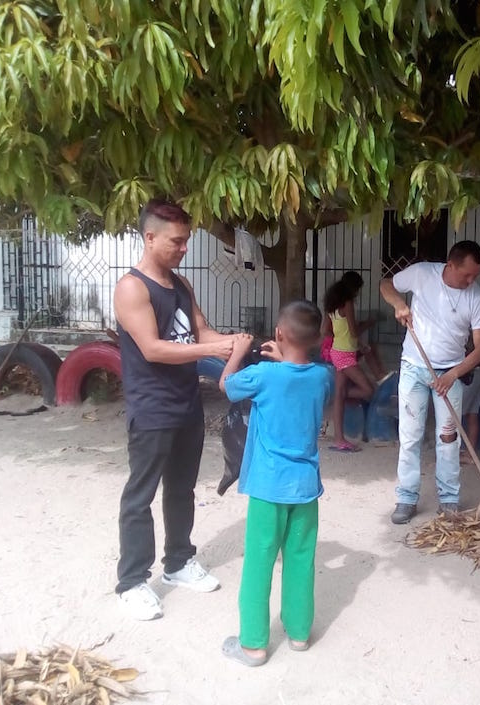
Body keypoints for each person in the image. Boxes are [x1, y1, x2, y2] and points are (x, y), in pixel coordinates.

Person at [112, 198, 241, 621]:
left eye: (186, 240)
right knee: (140, 495)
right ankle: (131, 581)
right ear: (150, 238)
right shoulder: (132, 288)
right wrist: (214, 348)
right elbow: (152, 348)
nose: (184, 248)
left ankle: (178, 562)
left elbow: (201, 331)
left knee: (182, 488)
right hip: (152, 409)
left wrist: (237, 345)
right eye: (176, 241)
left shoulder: (182, 286)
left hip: (187, 404)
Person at [219, 300, 334, 667]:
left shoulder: (264, 376)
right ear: (318, 338)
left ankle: (253, 644)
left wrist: (238, 353)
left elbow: (227, 386)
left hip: (269, 487)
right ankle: (299, 634)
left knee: (259, 560)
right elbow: (299, 374)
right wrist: (285, 354)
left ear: (280, 334)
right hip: (305, 487)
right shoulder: (324, 376)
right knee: (301, 559)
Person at [379, 241, 480, 524]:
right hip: (414, 368)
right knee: (410, 436)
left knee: (448, 438)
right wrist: (399, 303)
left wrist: (452, 375)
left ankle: (449, 499)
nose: (471, 280)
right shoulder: (422, 274)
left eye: (476, 275)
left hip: (451, 373)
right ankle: (406, 497)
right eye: (467, 274)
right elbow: (386, 284)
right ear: (450, 265)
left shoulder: (477, 298)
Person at [321, 274, 375, 451]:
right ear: (354, 288)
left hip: (338, 352)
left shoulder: (332, 306)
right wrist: (367, 325)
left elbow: (325, 330)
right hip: (345, 355)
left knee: (340, 395)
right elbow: (353, 331)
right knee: (368, 390)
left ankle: (339, 440)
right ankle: (335, 395)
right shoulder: (348, 303)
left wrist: (341, 335)